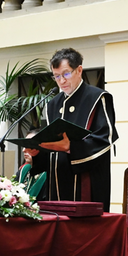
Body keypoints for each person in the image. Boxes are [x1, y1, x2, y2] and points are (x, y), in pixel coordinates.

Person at [39, 47, 118, 212]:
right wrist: (37, 152)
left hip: (87, 180)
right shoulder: (52, 104)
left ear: (79, 70)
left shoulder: (97, 98)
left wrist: (71, 148)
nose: (61, 81)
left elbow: (105, 139)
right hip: (57, 182)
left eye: (66, 74)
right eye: (56, 76)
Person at [17, 129, 48, 200]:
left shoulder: (50, 175)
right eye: (24, 146)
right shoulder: (24, 170)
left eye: (29, 146)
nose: (23, 150)